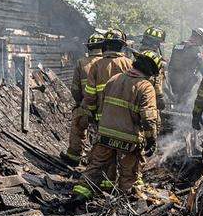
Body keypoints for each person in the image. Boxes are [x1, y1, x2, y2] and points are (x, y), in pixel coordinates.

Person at [78, 50, 162, 195]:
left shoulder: (114, 79)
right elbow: (148, 119)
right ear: (151, 71)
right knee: (129, 176)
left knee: (95, 168)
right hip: (128, 141)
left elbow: (102, 104)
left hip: (104, 136)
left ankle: (80, 194)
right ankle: (123, 205)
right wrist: (151, 139)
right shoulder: (146, 87)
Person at [70, 28, 133, 156]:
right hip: (124, 115)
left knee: (80, 126)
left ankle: (74, 156)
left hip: (98, 112)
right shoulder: (130, 64)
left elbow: (82, 91)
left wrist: (86, 107)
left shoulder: (95, 65)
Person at [64, 31, 104, 165]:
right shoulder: (108, 63)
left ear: (89, 47)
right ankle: (98, 161)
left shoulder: (81, 63)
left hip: (86, 105)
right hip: (106, 109)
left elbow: (75, 89)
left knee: (77, 126)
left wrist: (79, 103)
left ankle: (74, 156)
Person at [167, 27, 203, 106]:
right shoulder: (195, 49)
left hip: (172, 80)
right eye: (201, 42)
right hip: (186, 84)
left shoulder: (177, 46)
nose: (200, 44)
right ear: (198, 37)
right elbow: (202, 67)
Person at [137, 26, 168, 110]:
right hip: (149, 98)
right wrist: (161, 97)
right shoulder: (153, 59)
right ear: (156, 43)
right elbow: (157, 80)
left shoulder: (138, 56)